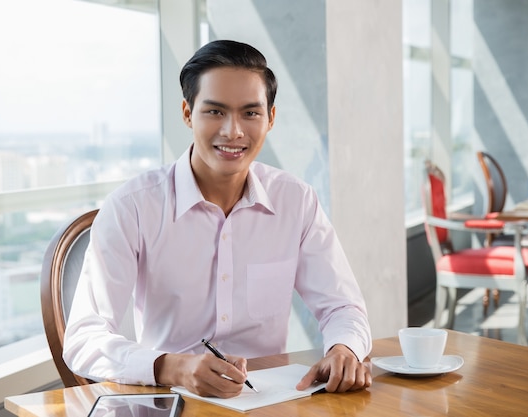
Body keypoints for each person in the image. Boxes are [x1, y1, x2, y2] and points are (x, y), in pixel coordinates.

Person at [63, 39, 372, 399]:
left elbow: (343, 306)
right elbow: (84, 337)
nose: (233, 131)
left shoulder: (296, 201)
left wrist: (344, 349)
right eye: (215, 112)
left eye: (250, 113)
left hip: (269, 401)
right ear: (186, 113)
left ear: (270, 118)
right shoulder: (132, 207)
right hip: (173, 398)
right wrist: (172, 367)